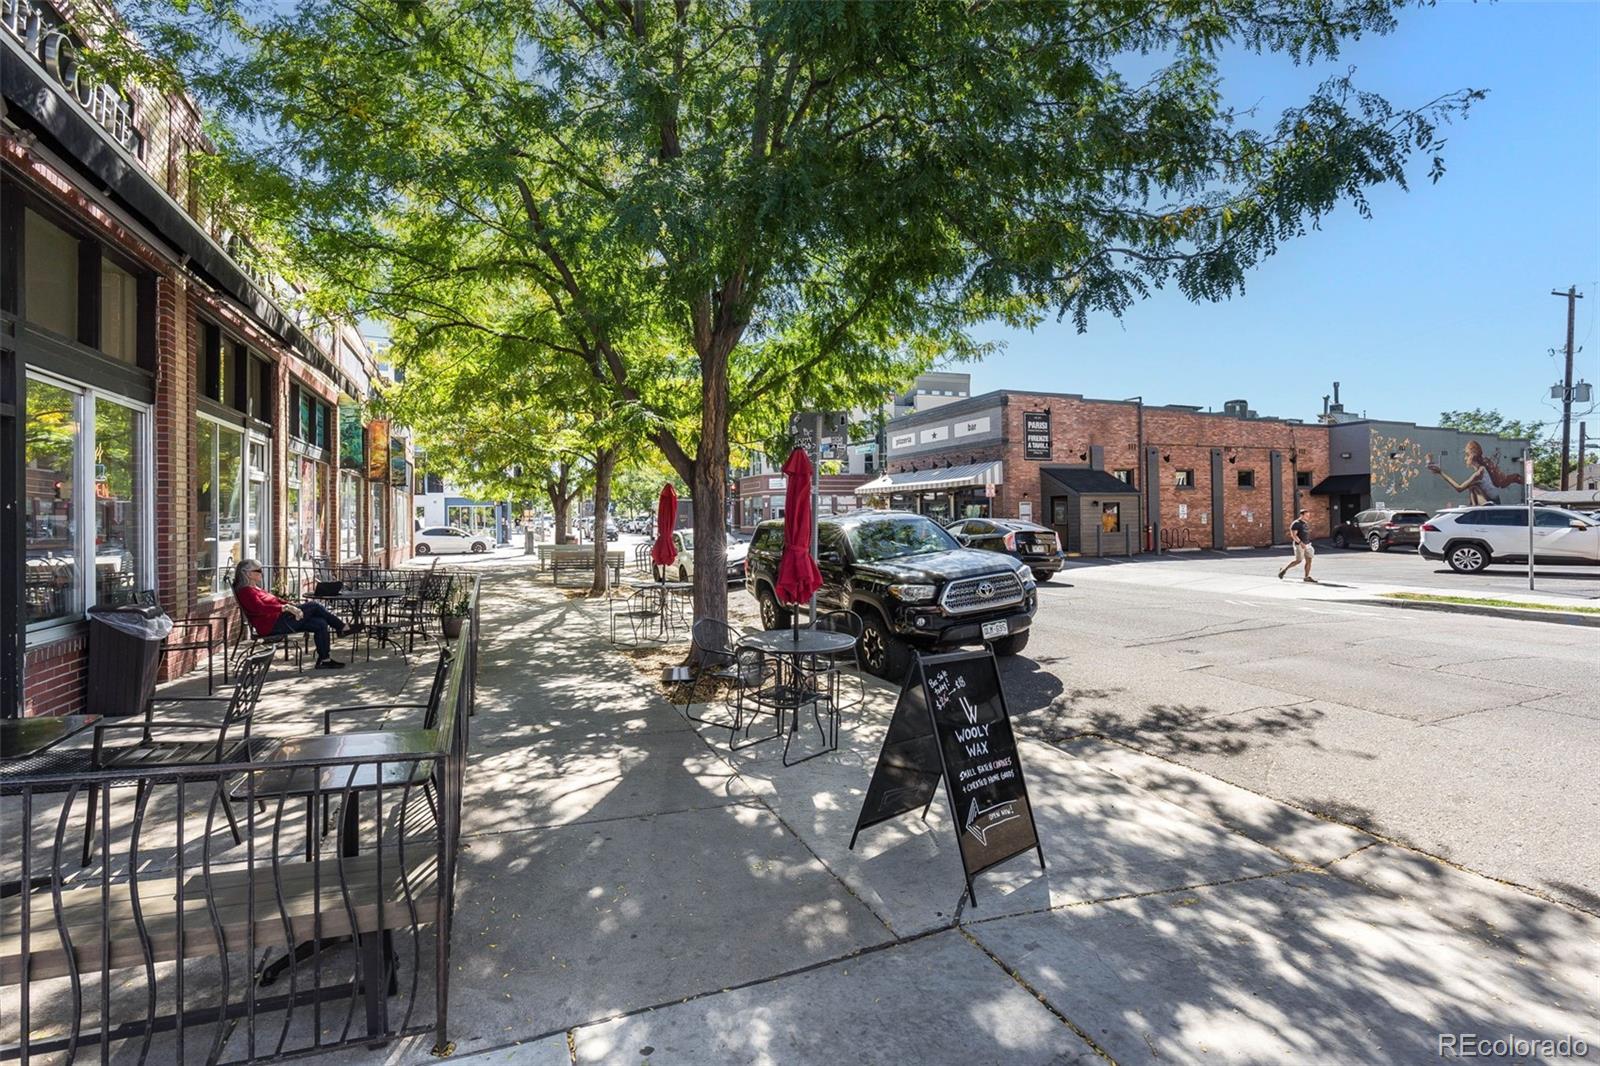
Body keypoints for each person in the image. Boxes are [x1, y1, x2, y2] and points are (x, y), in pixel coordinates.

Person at [232, 559, 351, 669]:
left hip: (282, 620)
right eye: (258, 570)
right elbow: (260, 608)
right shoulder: (245, 591)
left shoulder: (256, 588)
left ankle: (325, 660)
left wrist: (291, 605)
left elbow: (276, 600)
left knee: (320, 623)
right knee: (315, 606)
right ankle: (341, 627)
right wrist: (285, 608)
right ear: (247, 574)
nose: (261, 573)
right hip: (273, 625)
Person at [1427, 440, 1523, 505]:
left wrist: (1441, 473)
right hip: (1493, 499)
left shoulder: (1479, 473)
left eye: (1466, 455)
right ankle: (1474, 507)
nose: (1465, 458)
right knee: (1473, 487)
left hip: (1493, 502)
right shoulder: (1482, 469)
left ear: (1472, 456)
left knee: (1473, 487)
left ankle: (1484, 506)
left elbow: (1459, 488)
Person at [1278, 508, 1317, 583]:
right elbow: (1294, 535)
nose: (1308, 517)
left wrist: (1307, 543)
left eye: (1308, 515)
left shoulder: (1305, 523)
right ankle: (1284, 570)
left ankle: (1306, 577)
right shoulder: (1296, 523)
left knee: (1309, 560)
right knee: (1298, 560)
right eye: (1306, 515)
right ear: (1301, 515)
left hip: (1307, 544)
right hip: (1299, 545)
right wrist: (1301, 543)